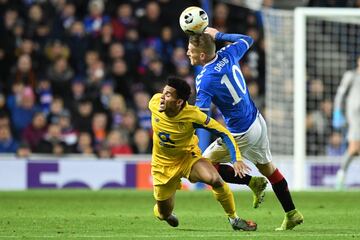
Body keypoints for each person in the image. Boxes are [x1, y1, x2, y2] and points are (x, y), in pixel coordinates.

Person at [187, 27, 303, 230]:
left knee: (204, 165)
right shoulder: (228, 53)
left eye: (191, 50)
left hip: (240, 132)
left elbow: (201, 116)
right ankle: (292, 213)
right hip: (257, 121)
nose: (188, 53)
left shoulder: (204, 79)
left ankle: (252, 182)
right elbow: (247, 39)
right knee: (269, 169)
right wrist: (219, 35)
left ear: (202, 55)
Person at [149, 76, 256, 231]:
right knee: (163, 213)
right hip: (162, 166)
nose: (162, 98)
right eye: (163, 92)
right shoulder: (154, 102)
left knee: (215, 180)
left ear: (179, 102)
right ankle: (165, 214)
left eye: (168, 95)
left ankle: (234, 219)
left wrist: (236, 159)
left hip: (187, 158)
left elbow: (224, 133)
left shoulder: (193, 116)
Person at [333, 56, 360, 189]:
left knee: (357, 150)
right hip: (355, 115)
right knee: (354, 147)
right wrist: (337, 111)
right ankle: (341, 176)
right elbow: (340, 93)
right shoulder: (351, 75)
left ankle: (341, 175)